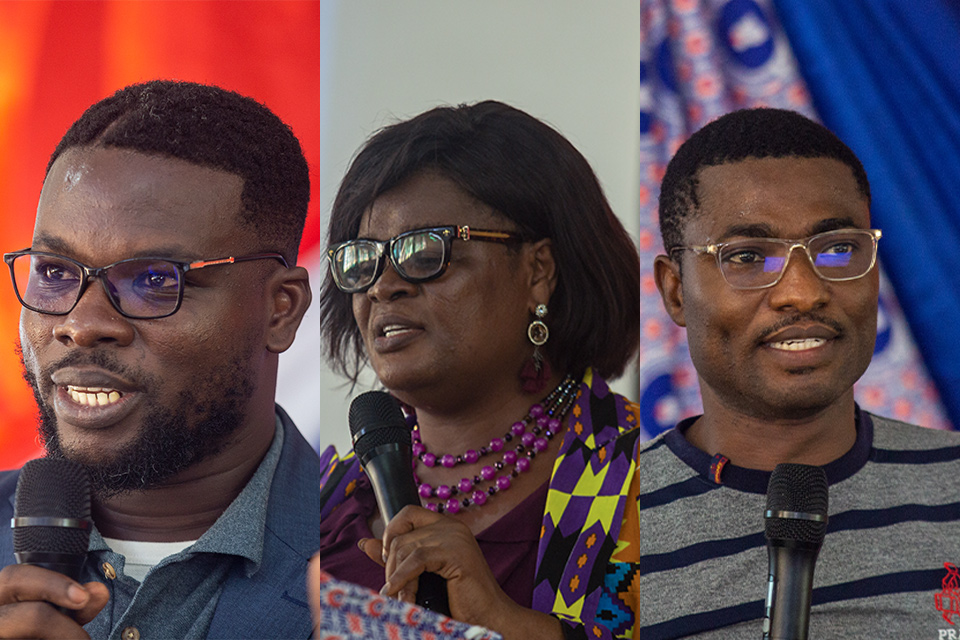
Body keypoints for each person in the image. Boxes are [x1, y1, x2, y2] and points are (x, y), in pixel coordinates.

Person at [611, 107, 960, 638]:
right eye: (749, 256)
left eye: (839, 247)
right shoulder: (608, 526)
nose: (803, 290)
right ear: (676, 290)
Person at [314, 101, 648, 639]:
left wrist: (504, 625)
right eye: (362, 260)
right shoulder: (321, 499)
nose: (382, 285)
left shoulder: (645, 476)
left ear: (538, 271)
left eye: (425, 252)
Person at [0, 80, 322, 639]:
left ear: (280, 310)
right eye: (54, 271)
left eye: (155, 280)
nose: (80, 324)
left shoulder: (369, 562)